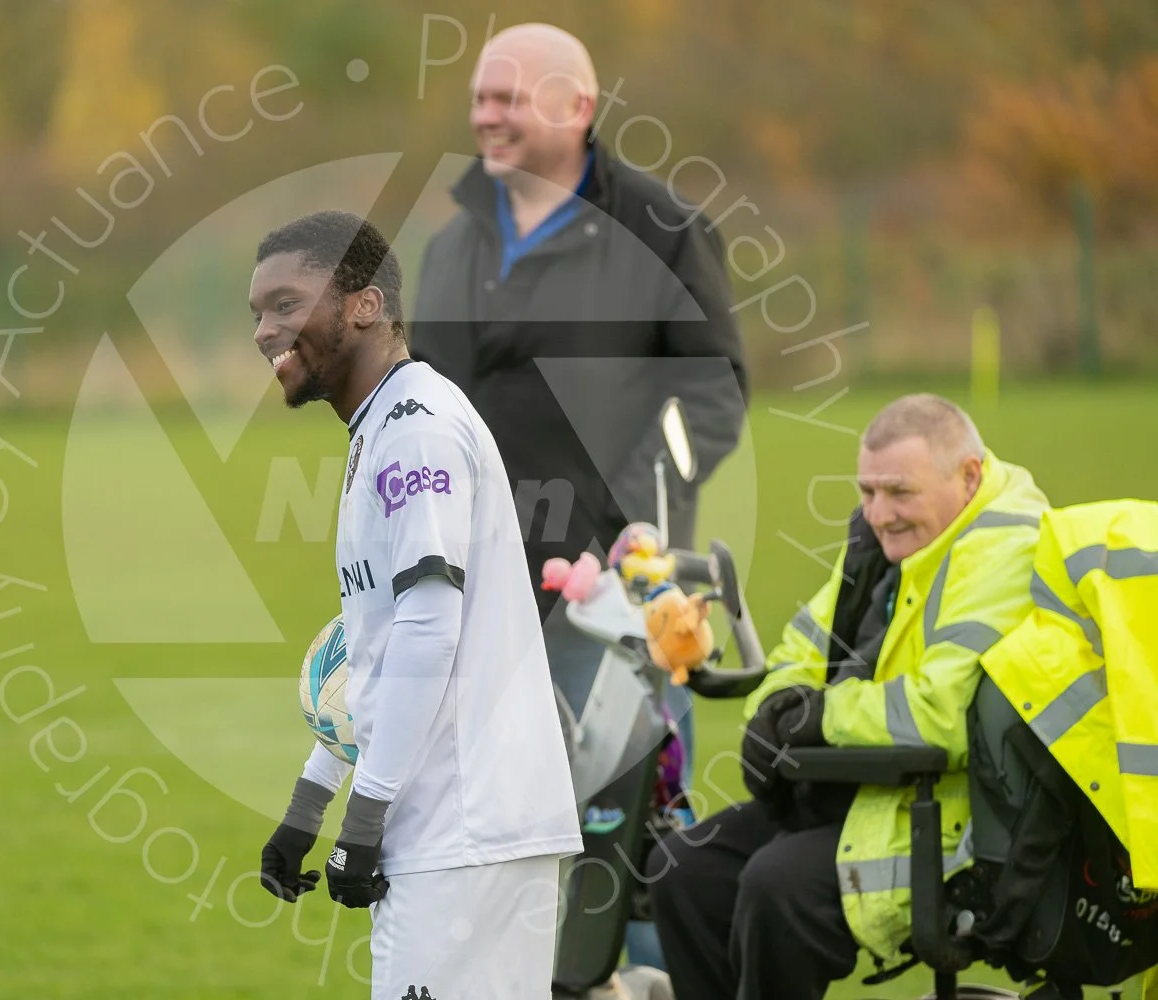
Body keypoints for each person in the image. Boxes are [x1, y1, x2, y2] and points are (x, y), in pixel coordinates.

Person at [408, 21, 749, 970]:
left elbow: (712, 390)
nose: (487, 115)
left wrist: (631, 519)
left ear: (578, 107)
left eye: (509, 98)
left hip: (611, 596)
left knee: (626, 841)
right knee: (476, 838)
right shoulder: (452, 244)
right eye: (480, 97)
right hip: (472, 593)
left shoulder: (664, 230)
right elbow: (428, 409)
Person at [250, 210, 584, 999]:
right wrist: (310, 801)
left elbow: (429, 634)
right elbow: (377, 652)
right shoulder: (385, 427)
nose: (265, 331)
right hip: (464, 827)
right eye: (257, 313)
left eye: (286, 304)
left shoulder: (416, 431)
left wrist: (361, 816)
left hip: (460, 827)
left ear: (364, 305)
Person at [646, 394, 1051, 1000]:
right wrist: (778, 712)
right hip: (862, 794)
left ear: (968, 477)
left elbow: (941, 715)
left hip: (953, 821)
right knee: (682, 869)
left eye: (899, 492)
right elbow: (800, 653)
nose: (880, 513)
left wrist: (818, 718)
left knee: (774, 888)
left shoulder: (1006, 550)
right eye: (867, 491)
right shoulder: (889, 541)